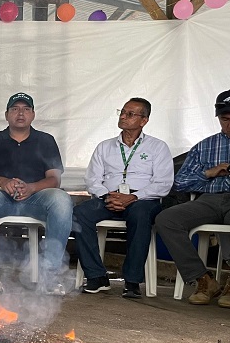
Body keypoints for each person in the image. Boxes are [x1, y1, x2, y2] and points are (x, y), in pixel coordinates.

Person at [155, 90, 230, 308]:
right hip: (209, 201)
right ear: (218, 118)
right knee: (167, 219)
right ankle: (203, 279)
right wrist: (209, 173)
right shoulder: (205, 146)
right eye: (225, 119)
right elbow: (178, 183)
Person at [0, 92, 73, 295]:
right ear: (6, 114)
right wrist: (3, 182)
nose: (21, 113)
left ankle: (51, 274)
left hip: (35, 198)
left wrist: (32, 187)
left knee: (62, 199)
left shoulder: (45, 140)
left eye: (26, 109)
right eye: (15, 109)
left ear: (33, 114)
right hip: (2, 198)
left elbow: (54, 179)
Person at [74, 98, 173, 299]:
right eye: (122, 112)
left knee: (140, 214)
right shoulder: (105, 147)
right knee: (78, 214)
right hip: (109, 197)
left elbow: (163, 183)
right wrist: (107, 196)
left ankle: (132, 281)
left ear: (144, 120)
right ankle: (96, 276)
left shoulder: (158, 147)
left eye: (130, 114)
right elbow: (92, 178)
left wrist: (133, 197)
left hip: (143, 200)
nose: (123, 117)